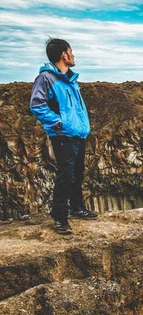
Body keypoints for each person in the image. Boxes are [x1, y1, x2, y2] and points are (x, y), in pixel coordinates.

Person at [30, 38, 97, 234]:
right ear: (63, 55)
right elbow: (37, 105)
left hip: (78, 133)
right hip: (63, 135)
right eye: (71, 51)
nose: (73, 55)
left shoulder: (70, 80)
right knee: (65, 174)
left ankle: (77, 208)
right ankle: (60, 217)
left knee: (77, 172)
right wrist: (60, 123)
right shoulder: (46, 78)